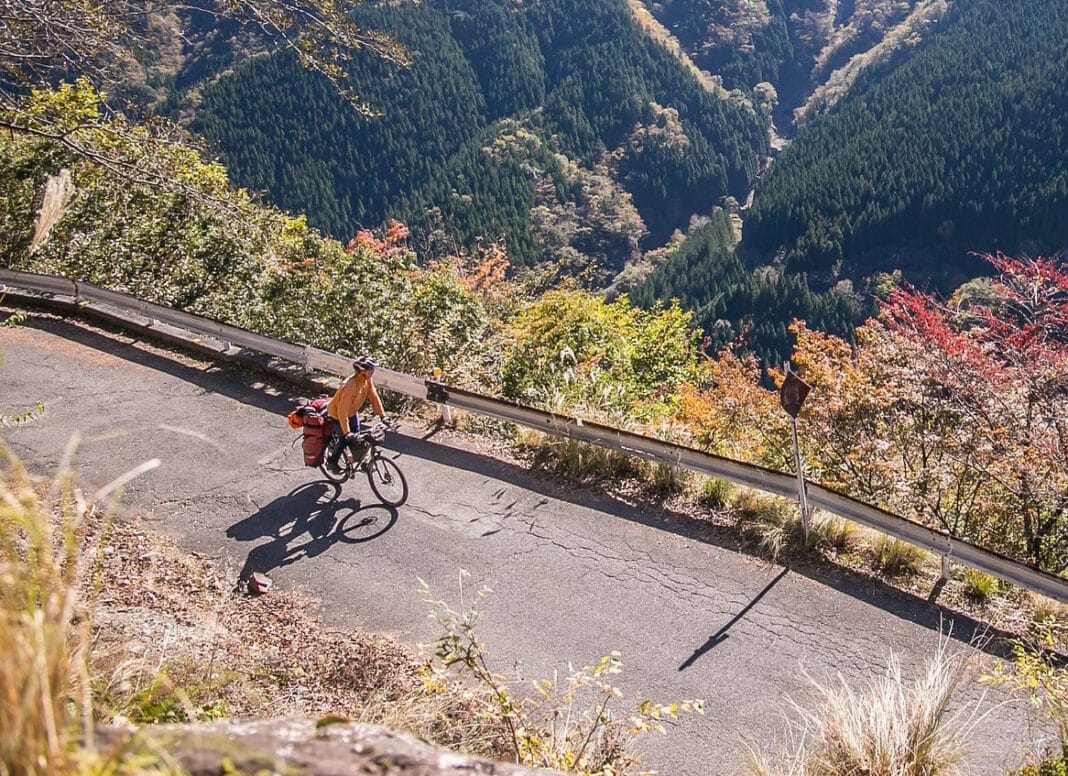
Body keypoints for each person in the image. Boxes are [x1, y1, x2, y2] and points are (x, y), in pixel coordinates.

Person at [325, 355, 386, 472]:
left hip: (352, 412)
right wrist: (347, 433)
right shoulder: (349, 386)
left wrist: (383, 416)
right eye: (371, 369)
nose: (373, 371)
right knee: (344, 439)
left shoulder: (367, 380)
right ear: (364, 372)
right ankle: (332, 462)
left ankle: (362, 462)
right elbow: (342, 412)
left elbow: (374, 397)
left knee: (359, 438)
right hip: (337, 415)